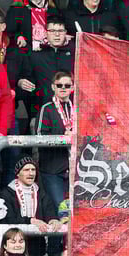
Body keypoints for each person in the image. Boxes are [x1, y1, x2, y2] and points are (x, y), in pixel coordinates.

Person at [35, 71, 73, 207]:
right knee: (61, 209)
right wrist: (64, 137)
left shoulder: (77, 109)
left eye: (67, 85)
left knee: (76, 212)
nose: (63, 88)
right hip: (52, 170)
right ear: (53, 87)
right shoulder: (47, 109)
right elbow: (39, 137)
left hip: (74, 170)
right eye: (59, 85)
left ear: (72, 88)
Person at [0, 156, 63, 233]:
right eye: (26, 170)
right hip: (15, 240)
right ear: (18, 173)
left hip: (37, 240)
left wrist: (53, 220)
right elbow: (9, 219)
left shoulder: (41, 193)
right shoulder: (6, 194)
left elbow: (49, 212)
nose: (31, 173)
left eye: (33, 170)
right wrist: (30, 221)